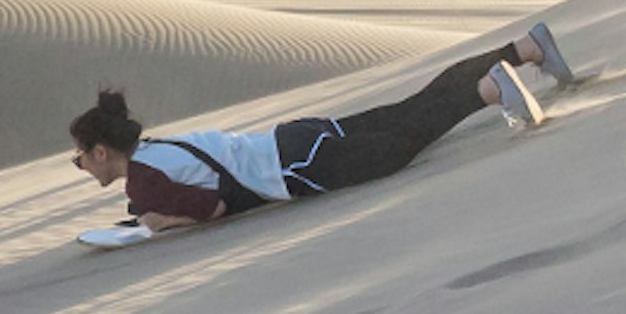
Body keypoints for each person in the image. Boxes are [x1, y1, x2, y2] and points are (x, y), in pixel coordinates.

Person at [68, 29, 565, 232]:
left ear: (101, 151)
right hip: (296, 140)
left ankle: (492, 91)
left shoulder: (142, 181)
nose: (82, 166)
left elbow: (214, 208)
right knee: (412, 108)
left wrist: (162, 222)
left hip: (301, 168)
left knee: (408, 137)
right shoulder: (156, 150)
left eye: (80, 158)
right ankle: (524, 49)